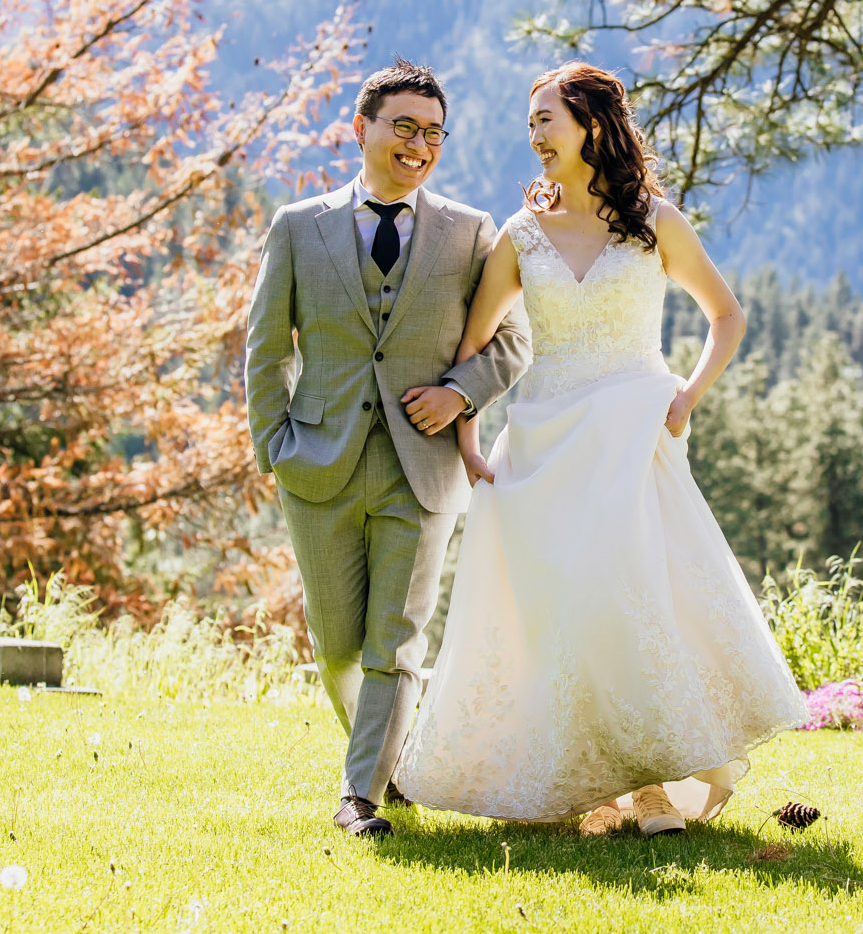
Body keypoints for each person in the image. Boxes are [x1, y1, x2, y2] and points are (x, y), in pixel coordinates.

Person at [393, 61, 804, 835]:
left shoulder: (655, 221)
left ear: (591, 124)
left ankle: (650, 780)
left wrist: (684, 397)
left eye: (547, 118)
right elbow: (474, 348)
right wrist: (473, 443)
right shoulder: (520, 235)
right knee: (560, 608)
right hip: (544, 441)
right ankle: (572, 777)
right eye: (531, 124)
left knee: (626, 596)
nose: (536, 135)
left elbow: (728, 317)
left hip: (630, 434)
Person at [244, 59, 531, 838]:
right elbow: (266, 345)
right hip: (318, 462)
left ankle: (359, 796)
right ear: (361, 127)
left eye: (433, 132)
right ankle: (390, 758)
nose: (418, 144)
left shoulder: (471, 232)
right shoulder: (298, 227)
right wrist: (273, 443)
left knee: (394, 640)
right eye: (403, 125)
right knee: (337, 642)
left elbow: (513, 341)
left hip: (423, 467)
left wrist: (459, 391)